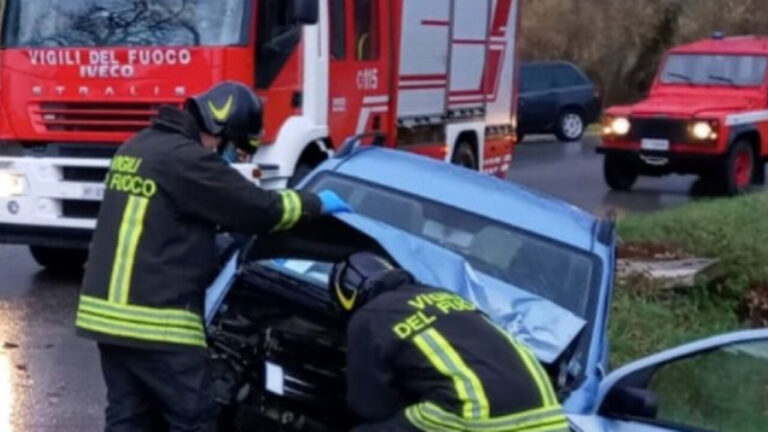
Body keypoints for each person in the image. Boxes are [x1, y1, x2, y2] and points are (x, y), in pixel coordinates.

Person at [75, 81, 351, 432]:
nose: (228, 155)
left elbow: (163, 219)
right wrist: (314, 203)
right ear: (220, 129)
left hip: (106, 319)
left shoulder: (138, 147)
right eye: (232, 145)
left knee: (129, 418)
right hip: (156, 321)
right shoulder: (189, 160)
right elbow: (261, 209)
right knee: (195, 418)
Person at [330, 253, 570, 432]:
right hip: (548, 412)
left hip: (476, 413)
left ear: (347, 296)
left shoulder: (370, 316)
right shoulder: (446, 296)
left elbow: (371, 407)